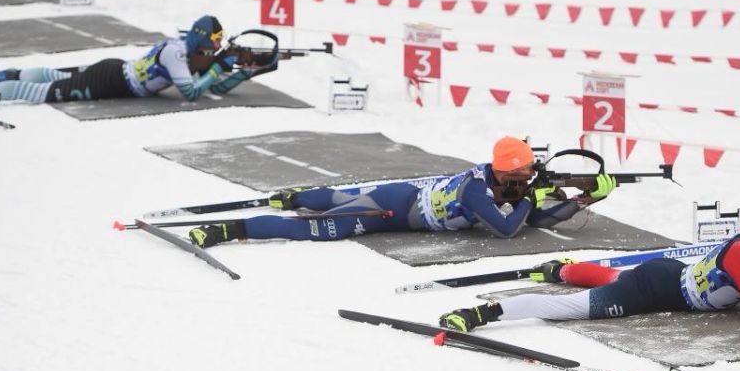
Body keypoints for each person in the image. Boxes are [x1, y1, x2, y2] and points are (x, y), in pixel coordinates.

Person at [438, 192, 740, 332]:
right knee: (575, 307)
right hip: (659, 288)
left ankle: (558, 269)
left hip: (675, 279)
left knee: (609, 273)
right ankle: (486, 312)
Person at [187, 136, 618, 247]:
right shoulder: (477, 192)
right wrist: (530, 197)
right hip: (392, 210)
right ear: (508, 173)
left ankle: (296, 194)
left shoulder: (498, 181)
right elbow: (509, 228)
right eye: (523, 176)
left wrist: (585, 197)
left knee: (339, 197)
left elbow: (533, 218)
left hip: (408, 194)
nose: (528, 183)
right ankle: (229, 229)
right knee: (318, 228)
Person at [0, 15, 265, 106]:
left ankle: (13, 74)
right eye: (213, 44)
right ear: (199, 40)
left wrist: (242, 72)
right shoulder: (177, 54)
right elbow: (193, 93)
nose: (215, 48)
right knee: (48, 94)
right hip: (113, 80)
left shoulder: (183, 49)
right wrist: (218, 67)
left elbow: (217, 89)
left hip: (115, 72)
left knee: (58, 78)